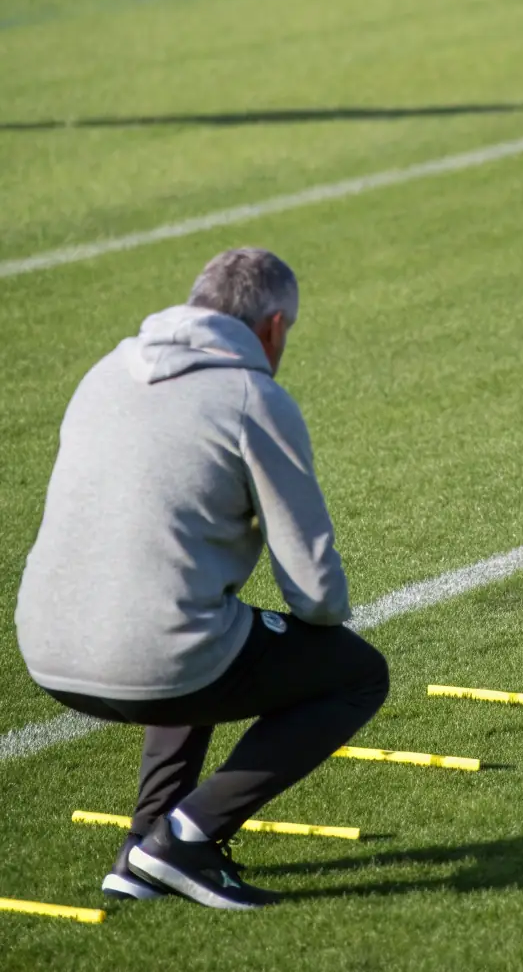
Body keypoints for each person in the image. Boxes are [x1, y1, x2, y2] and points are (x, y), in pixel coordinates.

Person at [15, 248, 388, 910]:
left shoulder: (102, 371)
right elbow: (318, 593)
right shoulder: (254, 396)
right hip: (156, 656)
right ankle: (185, 838)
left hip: (42, 649)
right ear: (273, 328)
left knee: (200, 616)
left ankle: (140, 849)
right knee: (357, 672)